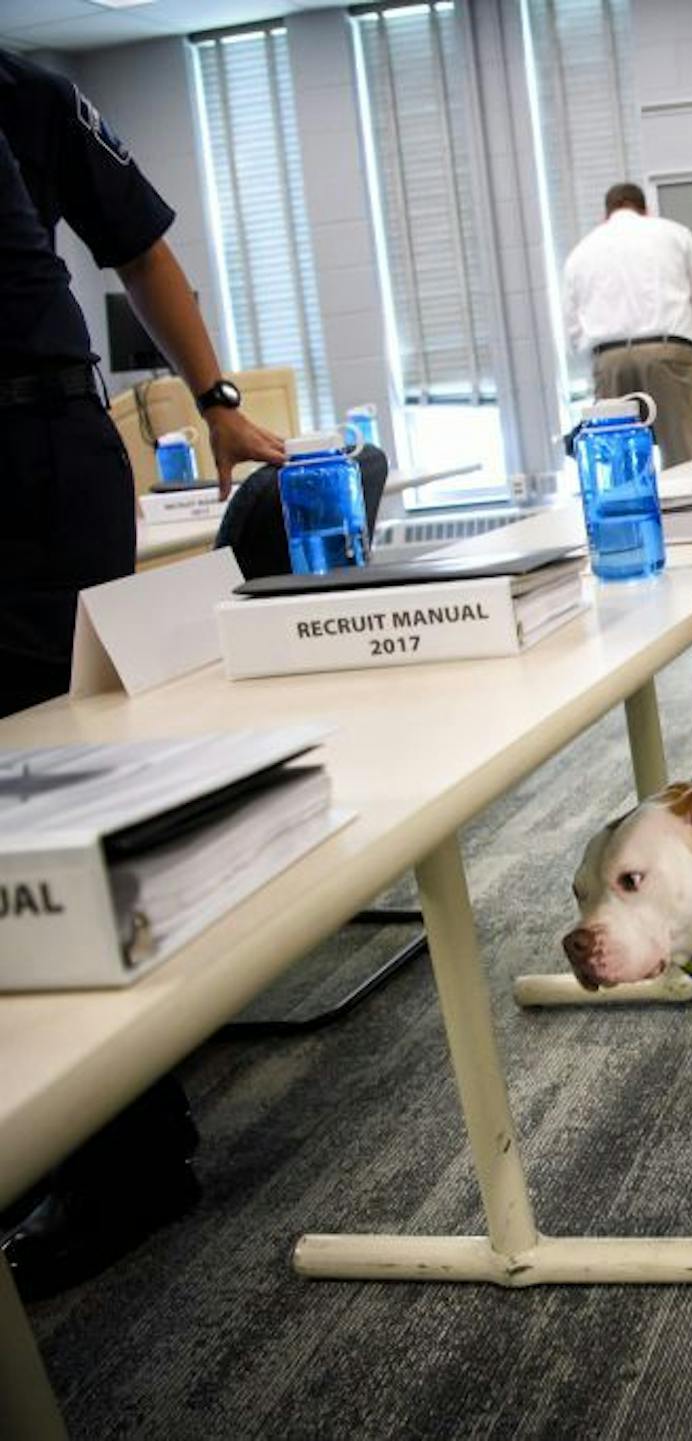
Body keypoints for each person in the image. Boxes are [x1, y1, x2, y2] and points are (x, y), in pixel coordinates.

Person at [1, 47, 284, 1299]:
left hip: (38, 444)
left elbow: (137, 242)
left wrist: (215, 397)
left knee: (51, 781)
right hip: (45, 441)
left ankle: (122, 1142)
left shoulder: (23, 85)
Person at [560, 182, 692, 469]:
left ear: (605, 214)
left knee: (621, 470)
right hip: (670, 353)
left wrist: (601, 363)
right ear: (645, 210)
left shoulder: (581, 252)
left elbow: (572, 327)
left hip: (610, 360)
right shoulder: (674, 235)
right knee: (690, 464)